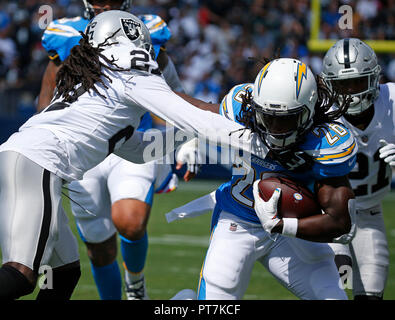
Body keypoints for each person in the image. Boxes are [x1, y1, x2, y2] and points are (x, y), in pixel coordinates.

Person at [0, 10, 261, 300]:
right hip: (37, 163)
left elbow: (136, 150)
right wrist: (257, 140)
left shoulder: (97, 82)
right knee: (22, 274)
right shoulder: (131, 71)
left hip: (24, 160)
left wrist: (188, 134)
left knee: (64, 273)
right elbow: (192, 115)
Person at [168, 58, 357, 300]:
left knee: (332, 296)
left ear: (308, 111)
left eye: (286, 118)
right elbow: (200, 114)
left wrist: (281, 226)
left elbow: (340, 222)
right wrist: (191, 137)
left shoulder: (326, 143)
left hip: (294, 226)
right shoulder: (242, 108)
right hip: (239, 218)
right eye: (268, 116)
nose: (275, 128)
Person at [38, 0, 190, 300]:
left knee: (130, 222)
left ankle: (135, 284)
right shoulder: (66, 35)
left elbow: (171, 94)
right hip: (85, 150)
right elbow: (47, 97)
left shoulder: (145, 33)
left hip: (133, 140)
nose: (105, 4)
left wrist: (179, 143)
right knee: (99, 246)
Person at [321, 38, 395, 300]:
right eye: (343, 85)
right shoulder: (320, 114)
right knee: (334, 290)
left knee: (371, 294)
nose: (351, 93)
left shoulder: (392, 102)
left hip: (370, 215)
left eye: (357, 82)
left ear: (374, 79)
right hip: (326, 215)